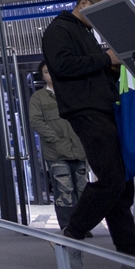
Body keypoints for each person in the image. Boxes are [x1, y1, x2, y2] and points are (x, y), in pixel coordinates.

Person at [41, 0, 135, 257]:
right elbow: (62, 66)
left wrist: (110, 67)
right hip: (86, 111)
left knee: (122, 183)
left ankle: (129, 252)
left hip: (104, 109)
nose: (100, 20)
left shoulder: (84, 32)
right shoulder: (59, 29)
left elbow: (88, 67)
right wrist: (105, 58)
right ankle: (72, 232)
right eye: (97, 11)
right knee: (112, 180)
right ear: (84, 3)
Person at [29, 60, 88, 231]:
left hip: (78, 148)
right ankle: (68, 227)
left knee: (83, 190)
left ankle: (83, 226)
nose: (51, 74)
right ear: (42, 76)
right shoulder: (38, 97)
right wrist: (55, 139)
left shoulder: (72, 92)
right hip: (56, 152)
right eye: (47, 72)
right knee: (64, 191)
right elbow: (36, 121)